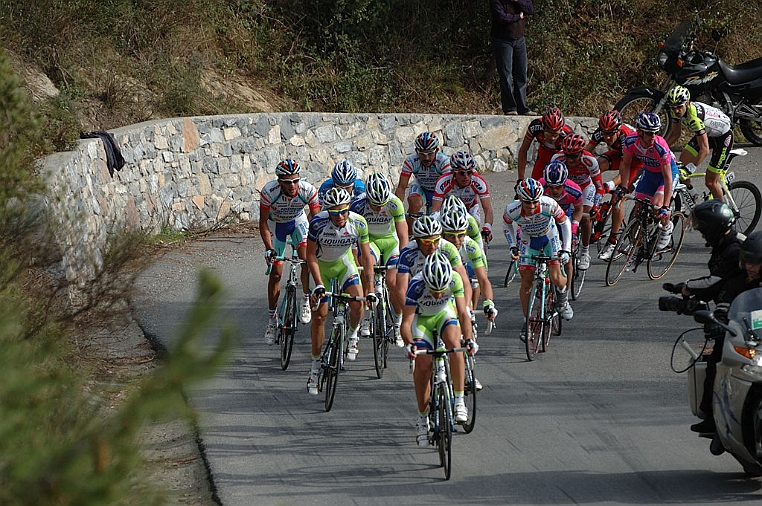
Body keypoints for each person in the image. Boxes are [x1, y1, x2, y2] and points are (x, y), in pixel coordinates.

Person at [401, 251, 477, 447]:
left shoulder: (454, 280)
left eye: (441, 290)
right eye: (433, 290)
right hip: (422, 320)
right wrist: (409, 344)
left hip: (444, 314)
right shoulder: (415, 285)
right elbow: (406, 323)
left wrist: (468, 339)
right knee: (424, 366)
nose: (438, 294)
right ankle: (422, 419)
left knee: (455, 344)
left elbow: (462, 313)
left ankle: (459, 400)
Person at [690, 230, 762, 434]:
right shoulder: (736, 284)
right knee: (716, 363)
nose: (750, 267)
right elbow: (723, 307)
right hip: (744, 342)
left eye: (755, 262)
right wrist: (717, 323)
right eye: (747, 261)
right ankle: (713, 418)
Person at [305, 188, 375, 395]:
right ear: (328, 211)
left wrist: (370, 288)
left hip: (345, 264)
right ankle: (315, 368)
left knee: (358, 303)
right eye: (334, 213)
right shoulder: (317, 223)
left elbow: (367, 257)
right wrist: (318, 284)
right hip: (321, 268)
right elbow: (310, 256)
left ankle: (352, 335)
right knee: (320, 316)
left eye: (343, 211)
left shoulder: (359, 223)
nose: (340, 216)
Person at [503, 178, 573, 343]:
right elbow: (506, 225)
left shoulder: (549, 204)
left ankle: (563, 298)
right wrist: (512, 246)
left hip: (550, 237)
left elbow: (565, 223)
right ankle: (526, 322)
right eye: (528, 203)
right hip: (528, 239)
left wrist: (566, 249)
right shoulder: (512, 209)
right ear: (520, 200)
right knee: (526, 282)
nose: (532, 207)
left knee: (556, 277)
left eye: (535, 202)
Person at [259, 159, 321, 345]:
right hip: (275, 225)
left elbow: (316, 221)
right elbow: (262, 223)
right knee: (276, 274)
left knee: (306, 261)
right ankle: (271, 321)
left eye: (295, 180)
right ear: (279, 182)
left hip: (298, 222)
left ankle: (305, 300)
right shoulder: (269, 192)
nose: (292, 185)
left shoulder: (308, 191)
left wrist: (317, 245)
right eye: (287, 182)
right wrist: (269, 249)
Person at [349, 171, 409, 346]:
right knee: (366, 270)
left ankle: (397, 323)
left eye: (381, 205)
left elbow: (403, 236)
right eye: (374, 205)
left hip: (391, 242)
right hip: (370, 241)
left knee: (393, 283)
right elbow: (353, 235)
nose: (378, 208)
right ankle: (368, 314)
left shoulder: (394, 203)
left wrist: (404, 259)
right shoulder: (358, 204)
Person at [586, 110, 645, 261]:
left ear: (618, 129)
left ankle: (613, 243)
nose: (606, 137)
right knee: (596, 164)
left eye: (610, 134)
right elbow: (585, 155)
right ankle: (595, 205)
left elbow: (625, 168)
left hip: (638, 164)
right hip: (621, 156)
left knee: (618, 200)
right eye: (604, 133)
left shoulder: (627, 137)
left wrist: (609, 185)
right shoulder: (602, 133)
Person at [617, 112, 678, 253]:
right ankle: (639, 246)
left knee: (657, 205)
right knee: (638, 205)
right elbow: (625, 164)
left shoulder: (660, 146)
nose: (653, 137)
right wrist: (624, 187)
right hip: (650, 173)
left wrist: (666, 206)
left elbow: (668, 178)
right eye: (649, 133)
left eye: (655, 133)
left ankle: (667, 227)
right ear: (639, 132)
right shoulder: (630, 141)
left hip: (667, 174)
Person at [664, 85, 734, 200]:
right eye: (673, 107)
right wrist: (660, 148)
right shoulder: (676, 111)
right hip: (708, 133)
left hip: (723, 137)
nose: (676, 111)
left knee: (710, 182)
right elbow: (675, 134)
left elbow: (704, 150)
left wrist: (691, 168)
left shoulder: (694, 118)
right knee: (681, 165)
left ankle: (723, 214)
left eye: (679, 107)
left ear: (687, 103)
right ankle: (693, 196)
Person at [395, 215, 471, 314]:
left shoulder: (448, 248)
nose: (432, 246)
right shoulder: (407, 253)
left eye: (436, 241)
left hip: (445, 295)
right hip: (420, 296)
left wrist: (467, 308)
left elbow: (464, 281)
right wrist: (410, 313)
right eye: (427, 242)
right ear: (417, 241)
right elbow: (401, 289)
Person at [550, 133, 603, 270]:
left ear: (581, 153)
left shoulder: (590, 161)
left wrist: (596, 206)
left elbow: (599, 187)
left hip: (585, 187)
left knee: (585, 218)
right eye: (567, 155)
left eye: (573, 156)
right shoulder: (557, 158)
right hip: (566, 188)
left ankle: (585, 252)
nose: (569, 160)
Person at [440, 208, 498, 323]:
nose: (456, 240)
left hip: (465, 267)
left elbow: (483, 279)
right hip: (444, 277)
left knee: (473, 282)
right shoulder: (438, 245)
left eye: (460, 235)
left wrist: (488, 303)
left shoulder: (470, 245)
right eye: (451, 236)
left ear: (466, 233)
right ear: (443, 234)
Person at [538, 160, 583, 294]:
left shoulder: (574, 191)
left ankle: (566, 293)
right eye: (551, 187)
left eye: (558, 186)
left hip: (564, 218)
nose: (554, 190)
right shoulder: (540, 186)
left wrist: (574, 229)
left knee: (566, 257)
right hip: (545, 218)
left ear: (564, 183)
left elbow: (579, 210)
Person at [430, 151, 495, 241]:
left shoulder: (479, 182)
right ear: (453, 172)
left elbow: (488, 209)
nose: (466, 177)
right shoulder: (443, 182)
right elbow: (435, 210)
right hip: (448, 211)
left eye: (469, 172)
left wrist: (487, 228)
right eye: (462, 173)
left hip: (470, 208)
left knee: (472, 228)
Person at [395, 132, 451, 228]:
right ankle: (409, 235)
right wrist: (396, 212)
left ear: (436, 150)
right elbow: (401, 187)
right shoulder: (411, 161)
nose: (426, 158)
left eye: (430, 153)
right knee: (414, 203)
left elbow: (450, 187)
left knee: (437, 217)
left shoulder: (444, 161)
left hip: (440, 189)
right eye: (422, 154)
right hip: (421, 186)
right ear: (416, 151)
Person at [489, 0, 535, 116]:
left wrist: (518, 1)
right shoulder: (497, 1)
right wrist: (518, 17)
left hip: (519, 39)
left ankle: (522, 107)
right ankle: (510, 107)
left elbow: (530, 9)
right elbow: (502, 17)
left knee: (521, 73)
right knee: (506, 74)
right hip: (502, 40)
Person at [517, 107, 573, 181]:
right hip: (543, 157)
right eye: (548, 134)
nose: (552, 138)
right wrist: (520, 180)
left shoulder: (568, 134)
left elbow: (574, 159)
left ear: (561, 130)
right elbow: (523, 151)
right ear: (543, 128)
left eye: (555, 135)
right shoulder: (535, 126)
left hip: (561, 160)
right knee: (535, 187)